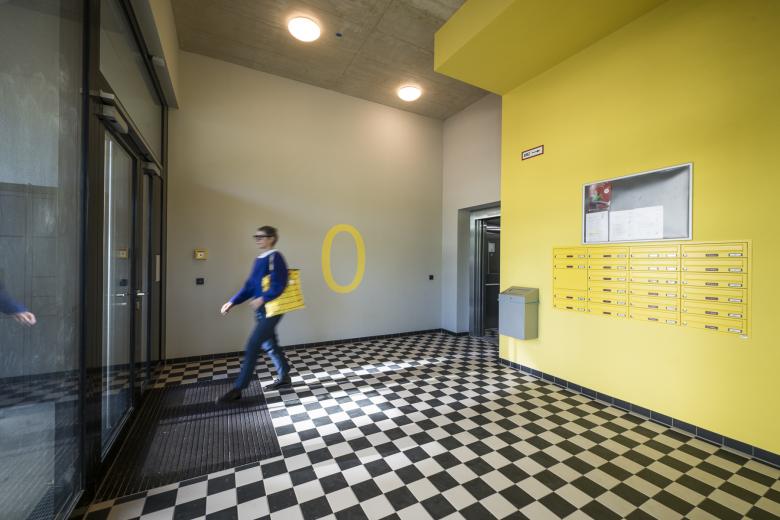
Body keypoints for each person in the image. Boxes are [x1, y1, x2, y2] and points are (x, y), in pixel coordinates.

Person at [216, 225, 293, 403]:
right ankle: (284, 376)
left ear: (271, 238)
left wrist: (263, 298)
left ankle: (238, 388)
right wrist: (233, 301)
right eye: (256, 237)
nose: (257, 239)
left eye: (261, 236)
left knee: (253, 345)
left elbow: (279, 284)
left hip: (272, 310)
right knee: (270, 344)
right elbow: (250, 286)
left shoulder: (276, 257)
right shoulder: (259, 259)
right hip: (261, 310)